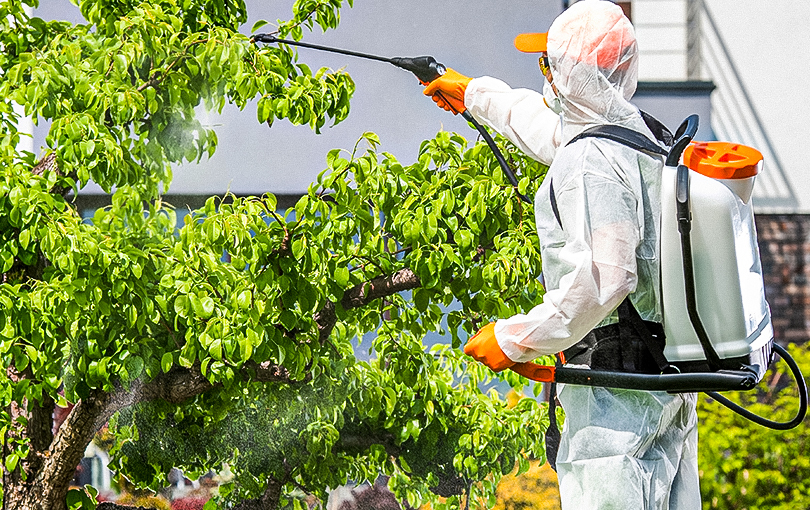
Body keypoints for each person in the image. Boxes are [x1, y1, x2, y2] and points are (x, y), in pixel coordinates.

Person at [423, 1, 700, 508]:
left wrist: (517, 338)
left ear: (571, 74)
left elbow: (604, 280)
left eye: (548, 63)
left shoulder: (590, 163)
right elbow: (547, 130)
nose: (544, 73)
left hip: (614, 401)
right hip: (663, 384)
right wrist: (473, 93)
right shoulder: (641, 138)